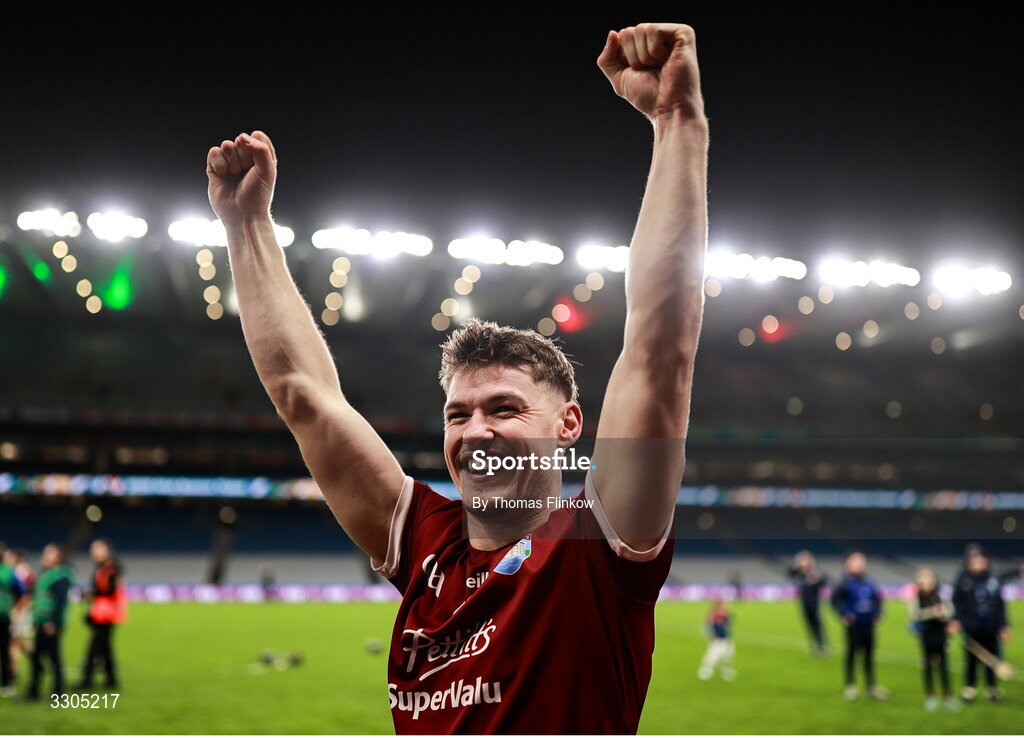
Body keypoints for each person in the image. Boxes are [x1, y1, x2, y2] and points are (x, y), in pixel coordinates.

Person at [205, 21, 708, 734]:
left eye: (504, 408)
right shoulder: (423, 544)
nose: (476, 432)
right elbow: (303, 395)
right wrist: (246, 224)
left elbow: (661, 350)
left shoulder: (599, 546)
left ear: (568, 427)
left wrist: (677, 121)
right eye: (457, 414)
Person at [951, 545, 1011, 702]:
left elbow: (1000, 604)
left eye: (982, 559)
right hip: (970, 628)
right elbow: (956, 602)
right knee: (971, 659)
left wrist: (1004, 626)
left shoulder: (993, 579)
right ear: (970, 561)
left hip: (990, 627)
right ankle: (969, 688)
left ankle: (992, 688)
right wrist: (956, 620)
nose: (980, 562)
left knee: (991, 658)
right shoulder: (963, 580)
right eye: (976, 559)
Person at [831, 550, 889, 701]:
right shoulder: (844, 583)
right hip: (853, 626)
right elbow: (834, 602)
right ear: (847, 564)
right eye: (855, 561)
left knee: (869, 656)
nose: (859, 564)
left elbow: (878, 600)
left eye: (861, 561)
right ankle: (850, 686)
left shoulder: (870, 581)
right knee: (851, 655)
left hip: (868, 625)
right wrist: (843, 615)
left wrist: (879, 612)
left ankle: (871, 686)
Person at [75, 539, 126, 690]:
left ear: (107, 550)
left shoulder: (110, 567)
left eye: (97, 549)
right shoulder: (103, 568)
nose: (94, 552)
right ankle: (111, 681)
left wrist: (92, 594)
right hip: (102, 612)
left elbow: (107, 589)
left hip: (106, 614)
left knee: (94, 648)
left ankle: (87, 681)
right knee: (104, 647)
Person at [907, 568, 958, 712]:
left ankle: (947, 697)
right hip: (926, 637)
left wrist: (944, 614)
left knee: (944, 667)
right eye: (923, 580)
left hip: (940, 636)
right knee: (928, 667)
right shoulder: (917, 599)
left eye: (929, 579)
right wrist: (932, 612)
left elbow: (950, 611)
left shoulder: (940, 596)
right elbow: (915, 615)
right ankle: (931, 697)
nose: (927, 583)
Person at [28, 543, 74, 700]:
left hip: (51, 623)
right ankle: (37, 690)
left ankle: (56, 692)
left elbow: (60, 601)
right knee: (39, 656)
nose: (45, 556)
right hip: (41, 620)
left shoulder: (61, 576)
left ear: (58, 557)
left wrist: (52, 622)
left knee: (53, 657)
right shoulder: (47, 573)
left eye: (49, 553)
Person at [787, 550, 829, 656]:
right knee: (809, 626)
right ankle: (814, 646)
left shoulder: (815, 572)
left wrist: (817, 580)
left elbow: (824, 581)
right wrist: (797, 565)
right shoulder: (800, 573)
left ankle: (823, 645)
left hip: (815, 603)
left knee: (818, 624)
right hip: (804, 603)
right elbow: (789, 572)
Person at [6, 547, 34, 691]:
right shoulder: (21, 570)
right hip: (21, 610)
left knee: (13, 642)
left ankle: (13, 672)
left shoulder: (20, 571)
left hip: (20, 610)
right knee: (21, 641)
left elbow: (25, 594)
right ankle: (36, 661)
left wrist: (18, 610)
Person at [0, 541, 26, 695]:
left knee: (5, 649)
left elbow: (23, 592)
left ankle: (7, 682)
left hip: (3, 616)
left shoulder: (9, 572)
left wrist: (17, 610)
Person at [697, 598, 736, 681]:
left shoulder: (725, 614)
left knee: (728, 655)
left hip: (726, 638)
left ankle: (726, 671)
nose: (727, 605)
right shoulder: (714, 614)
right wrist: (710, 636)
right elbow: (708, 625)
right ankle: (705, 670)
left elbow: (730, 621)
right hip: (717, 638)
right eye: (725, 604)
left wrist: (726, 614)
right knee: (712, 655)